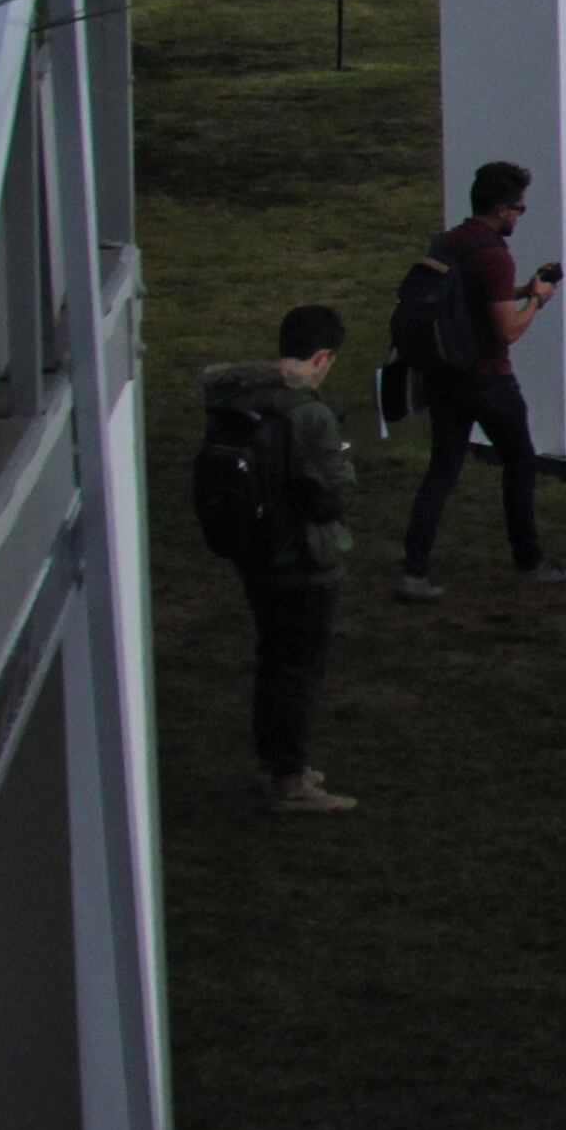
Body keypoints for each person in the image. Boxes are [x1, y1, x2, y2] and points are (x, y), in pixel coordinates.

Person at [199, 304, 358, 815]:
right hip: (304, 559)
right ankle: (289, 777)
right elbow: (334, 495)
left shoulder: (235, 398)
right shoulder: (308, 415)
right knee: (300, 669)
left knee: (273, 657)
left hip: (255, 549)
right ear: (320, 357)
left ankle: (275, 761)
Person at [391, 160, 566, 598]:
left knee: (443, 471)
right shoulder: (494, 256)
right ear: (503, 209)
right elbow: (506, 330)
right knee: (520, 461)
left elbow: (470, 301)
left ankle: (415, 569)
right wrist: (538, 301)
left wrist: (523, 290)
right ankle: (527, 559)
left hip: (444, 373)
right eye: (519, 209)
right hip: (488, 378)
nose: (519, 216)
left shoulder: (451, 242)